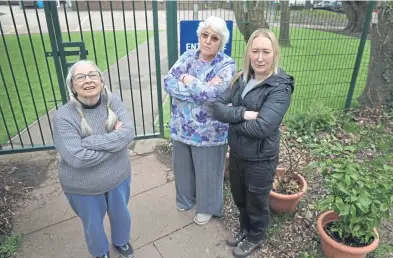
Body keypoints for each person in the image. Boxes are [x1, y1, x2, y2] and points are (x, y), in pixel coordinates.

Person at [212, 28, 294, 258]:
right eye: (255, 51)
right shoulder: (241, 78)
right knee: (239, 196)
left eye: (265, 52)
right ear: (248, 53)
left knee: (256, 201)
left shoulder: (279, 87)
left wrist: (232, 117)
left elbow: (262, 128)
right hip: (237, 152)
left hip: (260, 158)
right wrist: (244, 114)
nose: (259, 57)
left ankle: (256, 236)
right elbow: (216, 107)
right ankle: (245, 228)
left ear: (274, 53)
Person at [53, 60, 135, 258]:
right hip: (83, 186)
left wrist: (90, 141)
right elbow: (77, 158)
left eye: (92, 75)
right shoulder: (63, 116)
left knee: (121, 215)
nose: (88, 80)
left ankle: (121, 241)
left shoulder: (113, 101)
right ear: (72, 85)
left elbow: (129, 133)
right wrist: (116, 145)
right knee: (93, 225)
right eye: (80, 77)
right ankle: (100, 252)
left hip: (118, 177)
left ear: (101, 79)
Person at [163, 16, 236, 225]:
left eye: (214, 38)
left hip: (210, 132)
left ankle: (207, 207)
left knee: (208, 171)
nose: (208, 41)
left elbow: (212, 95)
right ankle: (185, 199)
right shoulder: (187, 56)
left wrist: (187, 79)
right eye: (205, 35)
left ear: (220, 43)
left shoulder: (226, 64)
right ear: (199, 36)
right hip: (181, 128)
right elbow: (168, 82)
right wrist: (199, 87)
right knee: (182, 167)